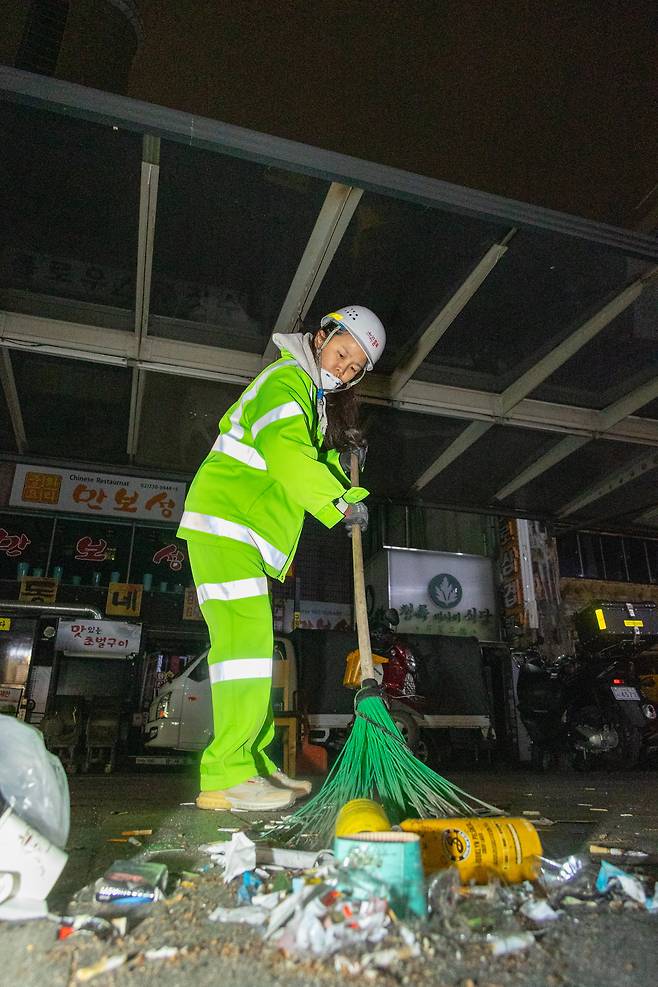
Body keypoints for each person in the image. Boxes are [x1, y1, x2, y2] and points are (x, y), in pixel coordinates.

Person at [177, 305, 386, 811]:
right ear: (319, 339)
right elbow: (286, 455)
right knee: (245, 649)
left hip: (238, 529)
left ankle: (253, 764)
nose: (343, 368)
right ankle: (227, 773)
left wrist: (341, 463)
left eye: (355, 366)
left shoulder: (308, 398)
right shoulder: (287, 379)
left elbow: (301, 456)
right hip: (228, 524)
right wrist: (338, 504)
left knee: (252, 649)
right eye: (341, 353)